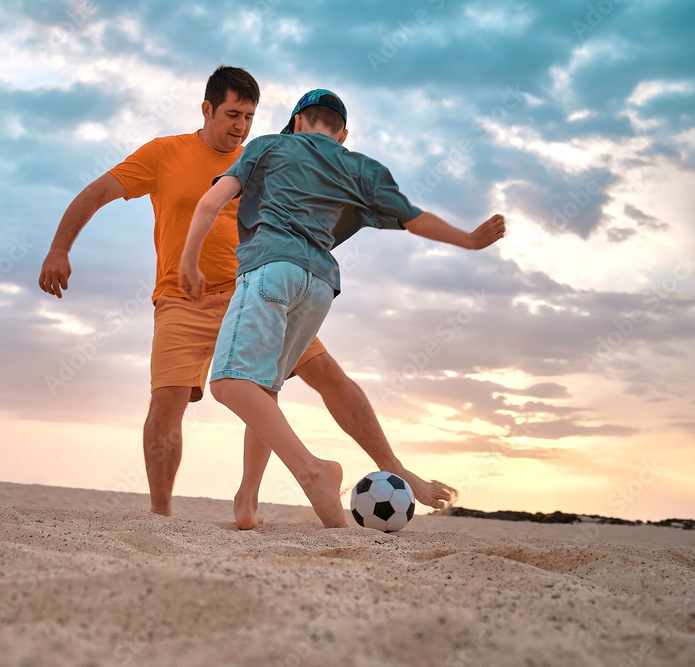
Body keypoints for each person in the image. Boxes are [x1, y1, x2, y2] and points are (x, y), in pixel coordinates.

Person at [38, 69, 453, 527]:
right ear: (207, 109)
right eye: (232, 114)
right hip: (181, 298)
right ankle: (160, 515)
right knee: (167, 401)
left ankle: (357, 478)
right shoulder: (164, 153)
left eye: (250, 116)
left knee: (322, 376)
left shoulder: (266, 161)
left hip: (250, 289)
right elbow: (96, 193)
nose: (241, 125)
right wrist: (60, 248)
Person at [178, 89, 505, 527]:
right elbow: (414, 219)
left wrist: (188, 261)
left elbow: (210, 202)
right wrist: (469, 239)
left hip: (271, 268)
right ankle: (247, 504)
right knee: (264, 389)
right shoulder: (361, 168)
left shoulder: (268, 146)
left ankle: (314, 470)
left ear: (296, 122)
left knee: (229, 383)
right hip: (319, 287)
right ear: (344, 134)